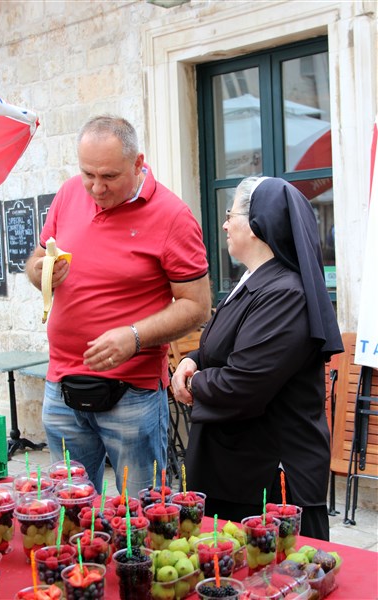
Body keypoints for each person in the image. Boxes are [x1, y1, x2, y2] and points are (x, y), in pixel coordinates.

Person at [26, 115, 211, 497]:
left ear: (138, 163)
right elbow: (37, 258)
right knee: (69, 511)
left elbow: (196, 306)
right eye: (88, 174)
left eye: (109, 176)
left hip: (132, 394)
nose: (96, 187)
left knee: (140, 513)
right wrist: (39, 271)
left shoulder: (173, 215)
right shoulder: (68, 194)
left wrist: (134, 336)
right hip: (61, 386)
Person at [171, 176, 343, 540]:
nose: (224, 225)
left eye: (230, 215)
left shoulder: (285, 294)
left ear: (255, 224)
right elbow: (227, 345)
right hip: (237, 472)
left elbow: (244, 382)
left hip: (267, 485)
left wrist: (192, 382)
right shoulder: (255, 279)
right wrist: (195, 359)